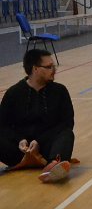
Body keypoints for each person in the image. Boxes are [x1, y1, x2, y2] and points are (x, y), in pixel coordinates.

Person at [0, 49, 74, 183]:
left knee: (67, 134)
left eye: (53, 66)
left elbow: (67, 123)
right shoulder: (13, 93)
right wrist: (19, 140)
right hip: (19, 151)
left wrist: (39, 141)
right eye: (49, 67)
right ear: (35, 69)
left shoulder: (60, 91)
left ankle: (54, 165)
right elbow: (2, 125)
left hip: (47, 149)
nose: (53, 70)